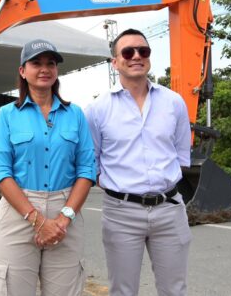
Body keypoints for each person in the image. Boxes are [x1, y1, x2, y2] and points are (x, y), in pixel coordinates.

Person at [84, 29, 192, 296]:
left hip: (169, 209)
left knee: (174, 289)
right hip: (121, 212)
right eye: (127, 52)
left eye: (143, 51)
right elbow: (93, 161)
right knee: (123, 290)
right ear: (115, 61)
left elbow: (180, 154)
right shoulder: (98, 110)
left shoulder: (173, 103)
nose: (136, 57)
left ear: (149, 58)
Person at [0, 39, 96, 296]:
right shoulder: (7, 114)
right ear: (23, 71)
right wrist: (37, 220)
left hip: (65, 214)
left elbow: (86, 169)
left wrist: (63, 217)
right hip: (19, 210)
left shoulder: (75, 114)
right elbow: (1, 172)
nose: (44, 68)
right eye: (36, 63)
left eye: (50, 63)